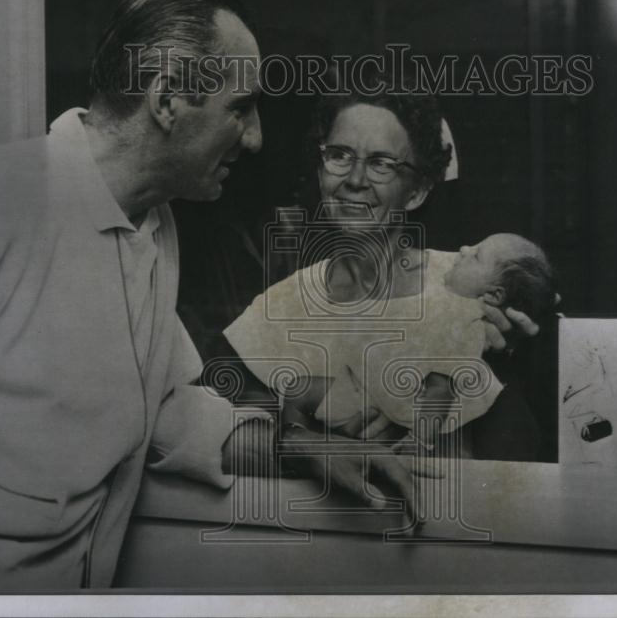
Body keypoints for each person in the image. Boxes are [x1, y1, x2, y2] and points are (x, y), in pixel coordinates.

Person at [0, 0, 424, 591]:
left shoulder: (154, 225)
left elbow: (167, 408)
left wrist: (303, 448)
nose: (257, 137)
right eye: (240, 108)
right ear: (167, 101)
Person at [223, 85, 547, 455]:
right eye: (339, 155)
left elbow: (520, 451)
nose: (356, 179)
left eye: (381, 163)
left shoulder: (469, 282)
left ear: (417, 192)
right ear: (319, 171)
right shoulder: (283, 305)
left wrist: (508, 361)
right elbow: (242, 433)